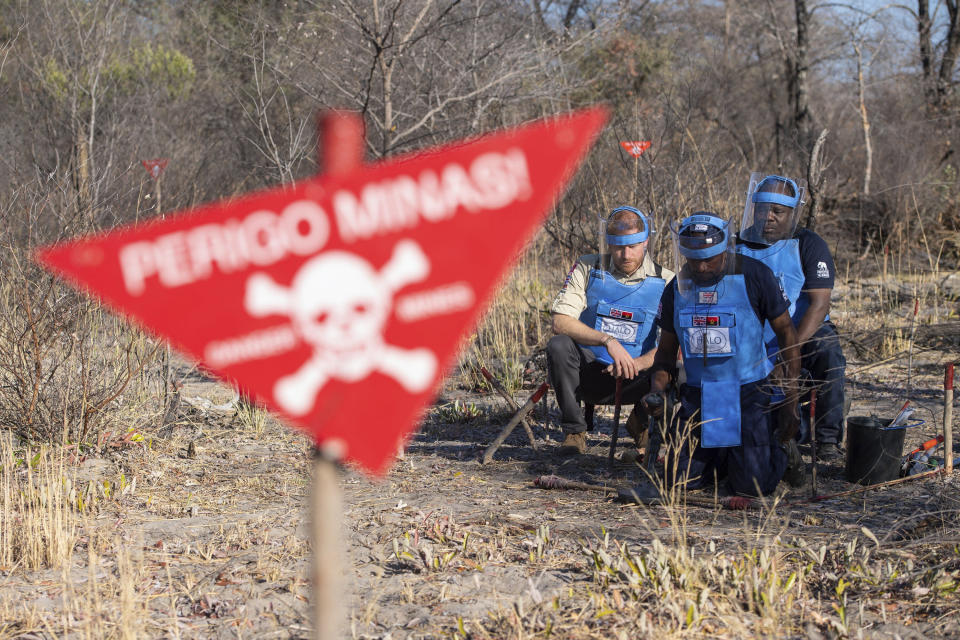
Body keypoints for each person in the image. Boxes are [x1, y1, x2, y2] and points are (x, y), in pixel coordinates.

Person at [622, 213, 800, 499]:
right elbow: (666, 354)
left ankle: (778, 448)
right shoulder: (676, 290)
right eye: (694, 261)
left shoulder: (755, 275)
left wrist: (791, 401)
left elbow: (787, 336)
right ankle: (722, 457)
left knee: (751, 488)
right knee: (676, 481)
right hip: (701, 397)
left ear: (725, 249)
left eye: (710, 260)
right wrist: (656, 392)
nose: (702, 267)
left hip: (750, 393)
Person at [546, 206, 674, 456]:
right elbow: (560, 321)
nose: (625, 254)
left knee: (678, 367)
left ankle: (642, 423)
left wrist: (636, 363)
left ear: (646, 241)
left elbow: (676, 343)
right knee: (558, 345)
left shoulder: (667, 280)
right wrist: (607, 341)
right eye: (617, 246)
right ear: (608, 243)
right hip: (591, 370)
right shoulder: (587, 267)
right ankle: (574, 431)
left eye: (633, 246)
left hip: (638, 378)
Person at [735, 174, 846, 459]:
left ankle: (828, 438)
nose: (768, 217)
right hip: (753, 335)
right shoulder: (737, 245)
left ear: (793, 213)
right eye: (762, 209)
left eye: (777, 211)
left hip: (799, 332)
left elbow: (819, 304)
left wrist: (790, 351)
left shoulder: (808, 244)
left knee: (829, 352)